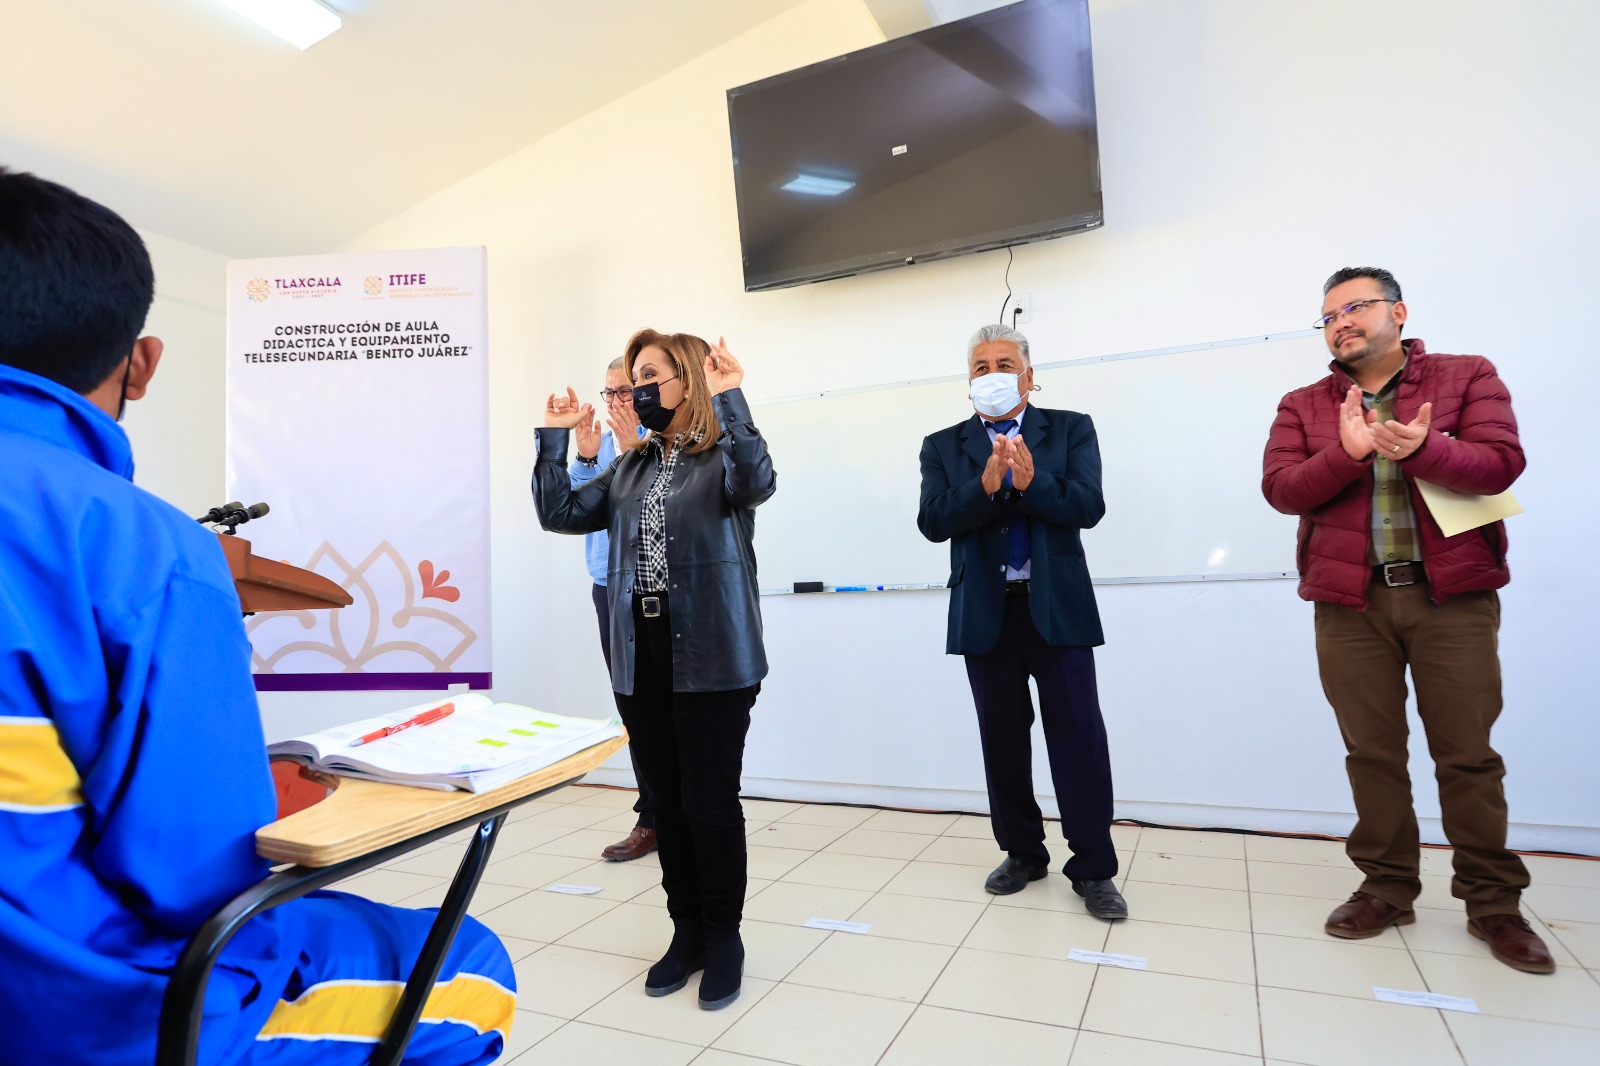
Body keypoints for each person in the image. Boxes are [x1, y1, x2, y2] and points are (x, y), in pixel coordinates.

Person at [0, 167, 515, 1065]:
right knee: (474, 973)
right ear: (143, 361)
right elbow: (192, 879)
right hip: (69, 1017)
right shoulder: (145, 550)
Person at [1262, 266, 1551, 973]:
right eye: (1328, 315)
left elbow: (1499, 463)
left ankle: (1493, 903)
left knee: (1468, 754)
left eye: (1355, 307)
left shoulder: (1466, 376)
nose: (1340, 323)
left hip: (1451, 596)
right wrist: (1347, 453)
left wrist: (1423, 448)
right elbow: (1281, 488)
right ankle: (1387, 886)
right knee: (1372, 752)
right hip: (1349, 602)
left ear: (1399, 312)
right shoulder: (1304, 403)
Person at [533, 329, 774, 1010]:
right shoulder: (630, 466)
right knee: (666, 805)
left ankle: (725, 937)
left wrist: (732, 400)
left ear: (686, 383)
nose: (634, 390)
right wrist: (554, 440)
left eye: (648, 376)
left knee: (709, 804)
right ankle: (686, 931)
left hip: (715, 657)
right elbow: (560, 513)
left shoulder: (725, 458)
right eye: (632, 377)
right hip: (642, 658)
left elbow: (758, 481)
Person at [917, 324, 1127, 920]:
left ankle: (1094, 868)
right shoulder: (943, 445)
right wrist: (983, 489)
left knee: (1079, 740)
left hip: (1056, 608)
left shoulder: (1069, 428)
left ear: (1029, 376)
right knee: (1002, 739)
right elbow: (933, 521)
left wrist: (1032, 483)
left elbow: (1088, 506)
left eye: (1004, 363)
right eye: (980, 367)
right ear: (969, 384)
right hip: (986, 613)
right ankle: (1022, 852)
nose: (992, 375)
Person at [571, 356, 658, 862]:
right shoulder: (597, 446)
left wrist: (634, 450)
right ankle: (651, 819)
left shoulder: (671, 439)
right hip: (610, 587)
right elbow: (575, 512)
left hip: (661, 587)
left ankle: (682, 814)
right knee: (634, 706)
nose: (618, 401)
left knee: (673, 707)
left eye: (626, 391)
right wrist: (583, 461)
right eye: (610, 393)